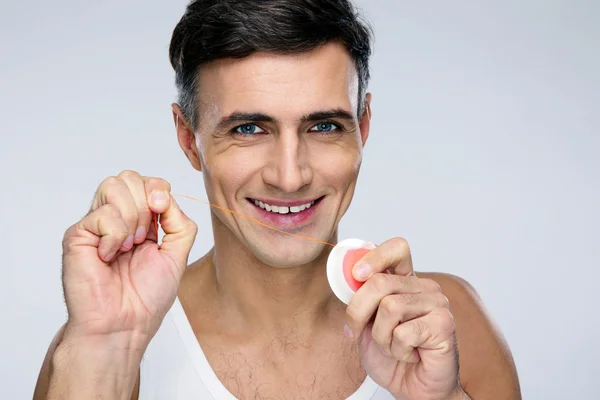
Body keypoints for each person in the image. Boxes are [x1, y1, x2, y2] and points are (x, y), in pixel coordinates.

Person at [33, 0, 521, 399]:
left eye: (324, 126)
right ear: (188, 138)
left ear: (363, 128)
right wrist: (106, 350)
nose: (290, 177)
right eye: (248, 128)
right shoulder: (108, 339)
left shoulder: (446, 326)